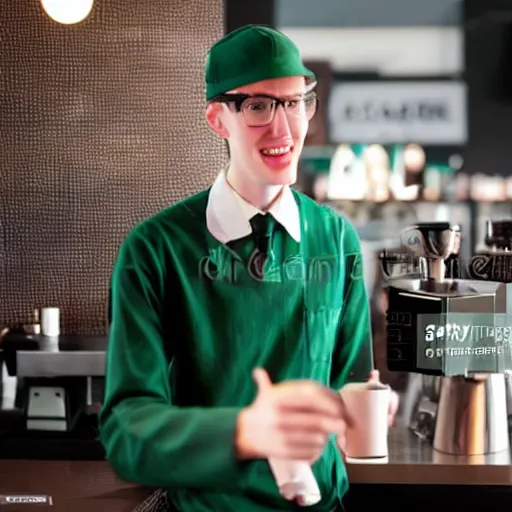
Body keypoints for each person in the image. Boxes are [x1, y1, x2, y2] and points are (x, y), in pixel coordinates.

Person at [99, 24, 399, 512]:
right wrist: (244, 432)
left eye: (295, 102)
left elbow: (350, 380)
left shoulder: (335, 238)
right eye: (258, 106)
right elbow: (127, 432)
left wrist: (364, 406)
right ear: (218, 118)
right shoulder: (156, 249)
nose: (283, 129)